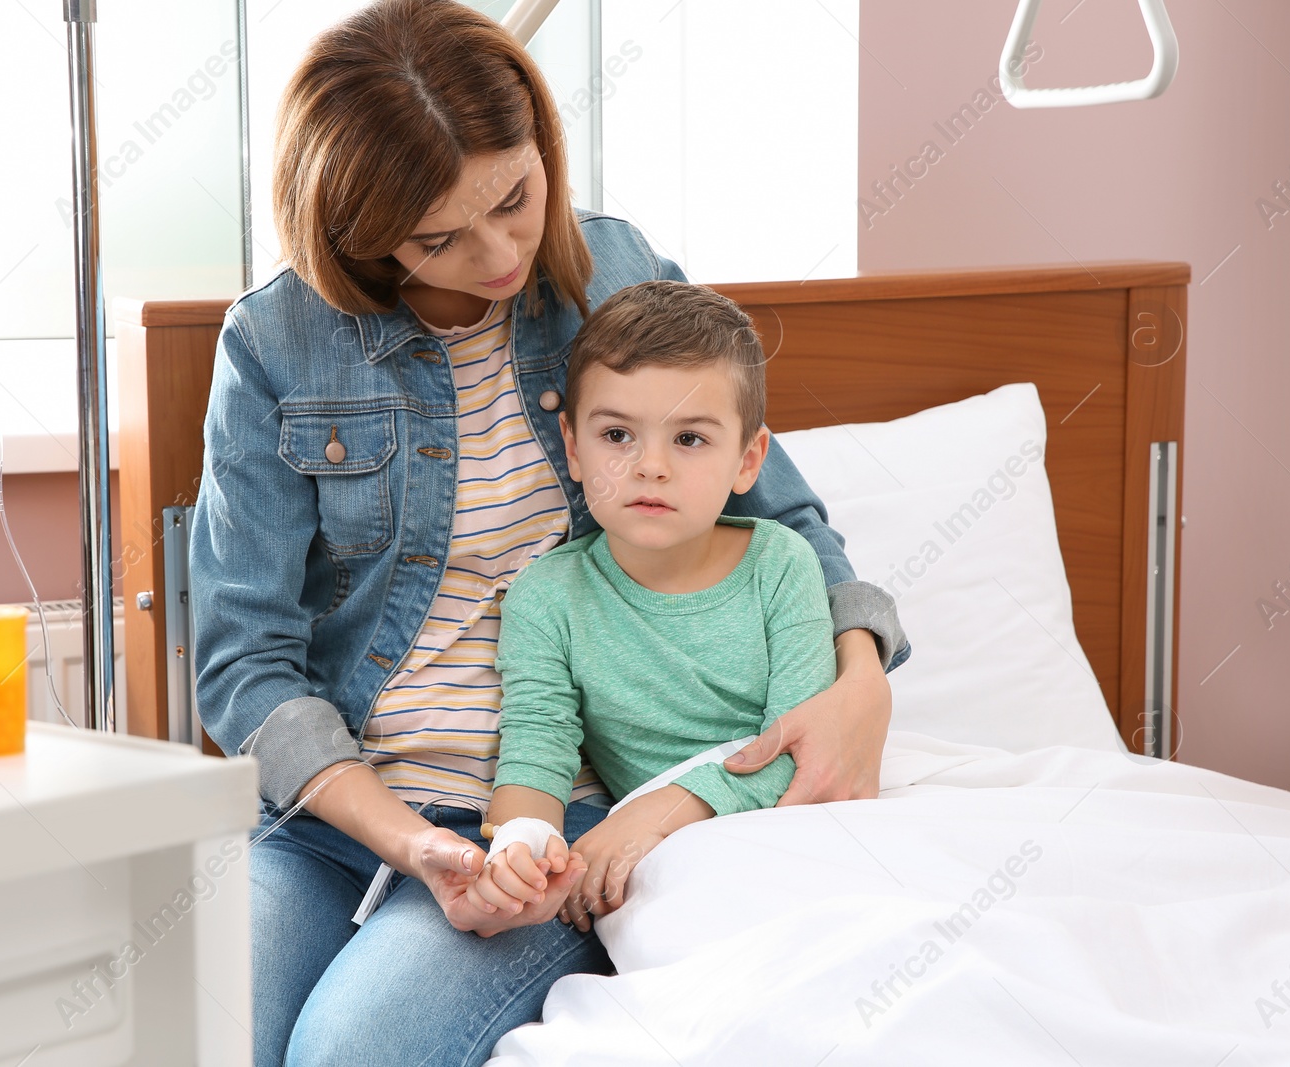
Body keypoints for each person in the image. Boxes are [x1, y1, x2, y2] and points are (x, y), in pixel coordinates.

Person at [186, 1, 909, 1063]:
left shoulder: (612, 272)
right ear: (353, 228)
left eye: (514, 198)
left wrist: (862, 678)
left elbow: (779, 513)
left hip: (548, 822)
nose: (497, 254)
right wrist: (405, 836)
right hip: (332, 821)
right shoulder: (275, 339)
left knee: (347, 1052)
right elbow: (244, 661)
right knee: (200, 1034)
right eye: (437, 236)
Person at [477, 281, 836, 933]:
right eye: (617, 434)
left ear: (748, 458)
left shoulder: (782, 565)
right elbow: (537, 746)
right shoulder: (547, 597)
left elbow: (799, 751)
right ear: (574, 447)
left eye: (690, 439)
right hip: (667, 861)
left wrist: (655, 814)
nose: (650, 466)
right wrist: (519, 849)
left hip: (794, 824)